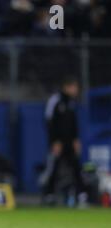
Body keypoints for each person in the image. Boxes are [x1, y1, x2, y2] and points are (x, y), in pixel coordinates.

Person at [41, 76, 87, 206]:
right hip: (58, 144)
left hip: (70, 143)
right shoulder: (55, 101)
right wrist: (54, 141)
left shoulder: (72, 103)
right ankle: (49, 195)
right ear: (67, 87)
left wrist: (76, 140)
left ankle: (81, 195)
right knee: (53, 169)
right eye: (74, 87)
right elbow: (49, 122)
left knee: (76, 168)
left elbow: (74, 124)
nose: (76, 90)